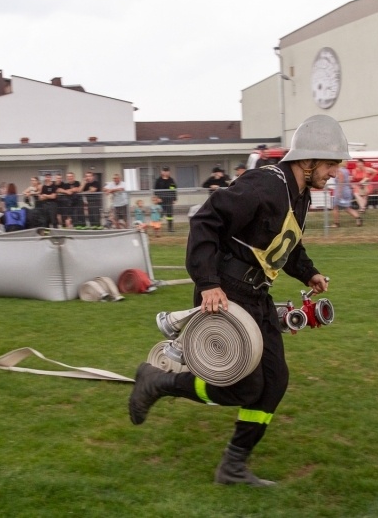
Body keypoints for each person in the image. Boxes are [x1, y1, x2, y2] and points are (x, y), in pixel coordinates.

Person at [128, 114, 339, 487]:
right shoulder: (265, 184)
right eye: (331, 164)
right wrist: (208, 283)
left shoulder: (299, 196)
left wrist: (309, 273)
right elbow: (205, 222)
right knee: (243, 388)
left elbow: (285, 244)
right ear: (308, 161)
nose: (334, 172)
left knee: (274, 381)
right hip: (225, 293)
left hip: (257, 294)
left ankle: (233, 467)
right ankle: (158, 382)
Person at [330, 161, 362, 227]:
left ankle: (336, 223)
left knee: (335, 207)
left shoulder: (339, 171)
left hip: (341, 191)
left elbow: (341, 182)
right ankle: (358, 217)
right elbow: (348, 180)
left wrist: (339, 193)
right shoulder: (346, 171)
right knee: (346, 208)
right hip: (347, 190)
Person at [154, 167, 177, 232]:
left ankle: (170, 228)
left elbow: (173, 190)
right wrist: (157, 198)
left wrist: (174, 198)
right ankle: (157, 228)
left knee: (170, 214)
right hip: (161, 200)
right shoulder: (158, 180)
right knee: (160, 214)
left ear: (169, 172)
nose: (166, 172)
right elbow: (155, 190)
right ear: (162, 172)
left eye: (167, 171)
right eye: (164, 171)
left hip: (169, 199)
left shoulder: (171, 180)